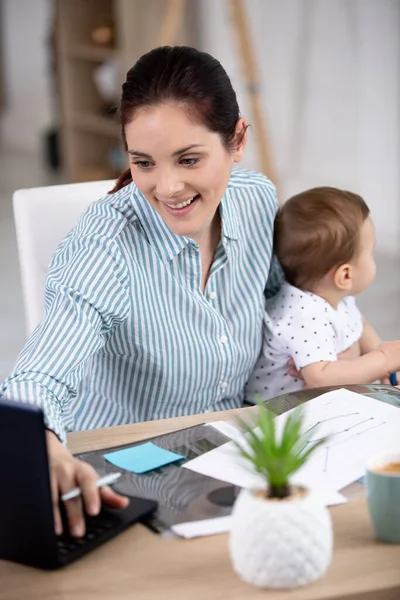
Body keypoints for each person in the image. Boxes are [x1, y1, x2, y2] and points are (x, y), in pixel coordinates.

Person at [0, 46, 281, 536]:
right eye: (144, 163)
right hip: (128, 479)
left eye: (189, 159)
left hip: (235, 457)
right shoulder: (105, 246)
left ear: (236, 141)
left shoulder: (257, 199)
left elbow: (291, 300)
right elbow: (39, 377)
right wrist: (41, 447)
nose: (168, 187)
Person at [245, 187, 400, 402]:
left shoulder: (334, 296)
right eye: (370, 253)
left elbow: (359, 326)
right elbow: (320, 378)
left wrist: (385, 365)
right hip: (275, 414)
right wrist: (383, 359)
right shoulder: (304, 317)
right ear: (345, 275)